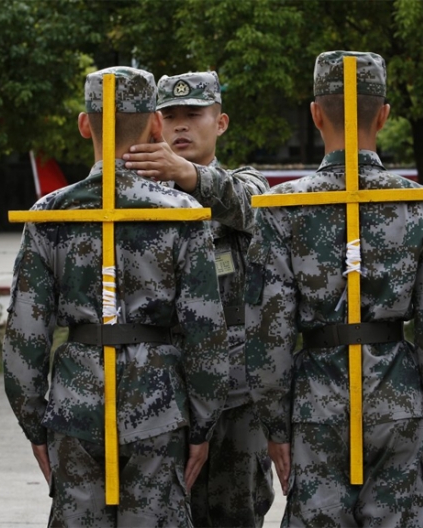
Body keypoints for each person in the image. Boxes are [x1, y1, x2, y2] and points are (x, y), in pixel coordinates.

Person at [3, 66, 230, 526]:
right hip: (158, 409)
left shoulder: (51, 213)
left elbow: (26, 332)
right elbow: (205, 329)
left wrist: (35, 421)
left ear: (85, 124)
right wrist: (202, 423)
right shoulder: (182, 211)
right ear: (153, 124)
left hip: (75, 403)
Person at [244, 51, 423, 527]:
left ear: (315, 113)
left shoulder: (281, 209)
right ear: (383, 115)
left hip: (316, 399)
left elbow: (269, 334)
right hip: (396, 399)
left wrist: (276, 426)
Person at [122, 70, 273, 527]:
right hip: (161, 395)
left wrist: (189, 176)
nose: (181, 126)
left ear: (220, 123)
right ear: (154, 124)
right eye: (171, 117)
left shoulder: (244, 183)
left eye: (194, 115)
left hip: (236, 393)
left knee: (236, 514)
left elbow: (251, 209)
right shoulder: (140, 197)